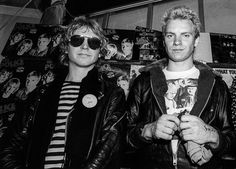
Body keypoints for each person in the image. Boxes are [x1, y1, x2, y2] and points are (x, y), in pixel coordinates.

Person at [0, 16, 126, 169]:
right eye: (77, 40)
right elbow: (8, 149)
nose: (85, 47)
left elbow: (108, 151)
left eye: (93, 42)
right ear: (66, 47)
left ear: (100, 52)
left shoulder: (112, 95)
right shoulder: (41, 94)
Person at [126, 5, 236, 169]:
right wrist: (149, 130)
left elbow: (232, 145)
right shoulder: (143, 82)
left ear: (196, 40)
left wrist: (210, 136)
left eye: (185, 35)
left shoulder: (216, 85)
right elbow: (123, 141)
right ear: (164, 40)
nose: (177, 42)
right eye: (171, 35)